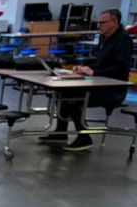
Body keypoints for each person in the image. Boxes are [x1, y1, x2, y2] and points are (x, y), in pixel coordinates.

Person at [40, 8, 133, 152]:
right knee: (64, 91)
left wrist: (94, 72)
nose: (99, 25)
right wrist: (84, 68)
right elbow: (99, 64)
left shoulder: (123, 39)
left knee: (72, 96)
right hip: (98, 84)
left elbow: (121, 68)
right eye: (99, 22)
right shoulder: (105, 39)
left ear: (114, 22)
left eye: (103, 22)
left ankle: (84, 136)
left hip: (112, 89)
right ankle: (60, 132)